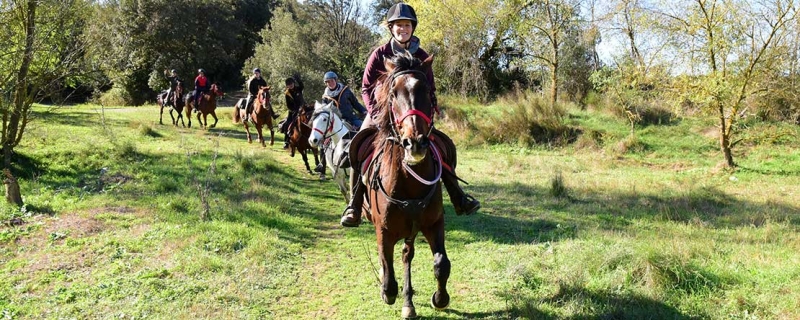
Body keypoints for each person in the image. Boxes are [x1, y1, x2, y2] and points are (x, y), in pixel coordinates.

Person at [340, 3, 481, 228]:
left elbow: (430, 88)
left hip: (413, 114)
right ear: (391, 28)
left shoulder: (422, 56)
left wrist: (430, 110)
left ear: (412, 28)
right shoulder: (380, 54)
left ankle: (458, 196)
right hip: (382, 112)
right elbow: (366, 87)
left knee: (441, 146)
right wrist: (374, 111)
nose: (402, 29)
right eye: (398, 25)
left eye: (406, 25)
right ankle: (354, 205)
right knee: (358, 145)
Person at [281, 75, 305, 149]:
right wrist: (294, 111)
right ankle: (286, 141)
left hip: (303, 108)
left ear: (294, 83)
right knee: (287, 124)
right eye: (288, 85)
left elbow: (302, 85)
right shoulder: (287, 93)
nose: (290, 85)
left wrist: (298, 79)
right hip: (293, 111)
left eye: (291, 84)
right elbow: (288, 105)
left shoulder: (299, 89)